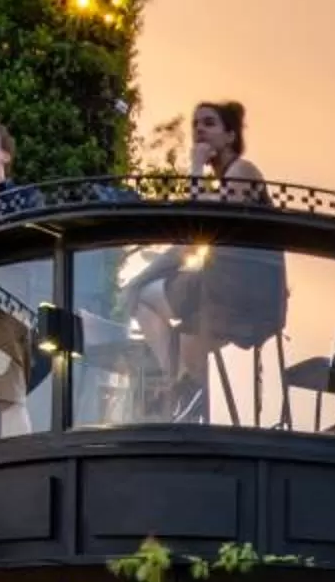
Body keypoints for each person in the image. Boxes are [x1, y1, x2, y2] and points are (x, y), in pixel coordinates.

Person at [118, 101, 288, 417]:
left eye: (209, 123)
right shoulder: (221, 186)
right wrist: (139, 278)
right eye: (195, 124)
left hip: (239, 290)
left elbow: (203, 218)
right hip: (221, 291)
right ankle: (185, 389)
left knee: (145, 299)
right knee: (186, 348)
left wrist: (195, 167)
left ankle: (178, 383)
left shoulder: (243, 170)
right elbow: (187, 245)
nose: (199, 130)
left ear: (230, 135)